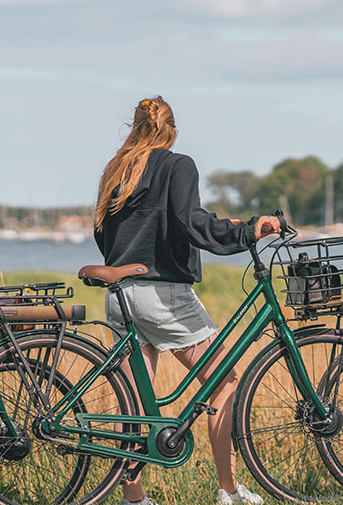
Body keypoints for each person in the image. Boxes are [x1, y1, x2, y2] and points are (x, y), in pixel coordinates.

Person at [94, 96, 279, 505]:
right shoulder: (179, 164)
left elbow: (110, 231)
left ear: (136, 129)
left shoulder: (117, 168)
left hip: (120, 293)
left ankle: (134, 499)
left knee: (133, 403)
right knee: (224, 381)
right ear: (172, 131)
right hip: (162, 296)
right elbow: (189, 222)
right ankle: (229, 492)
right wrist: (246, 233)